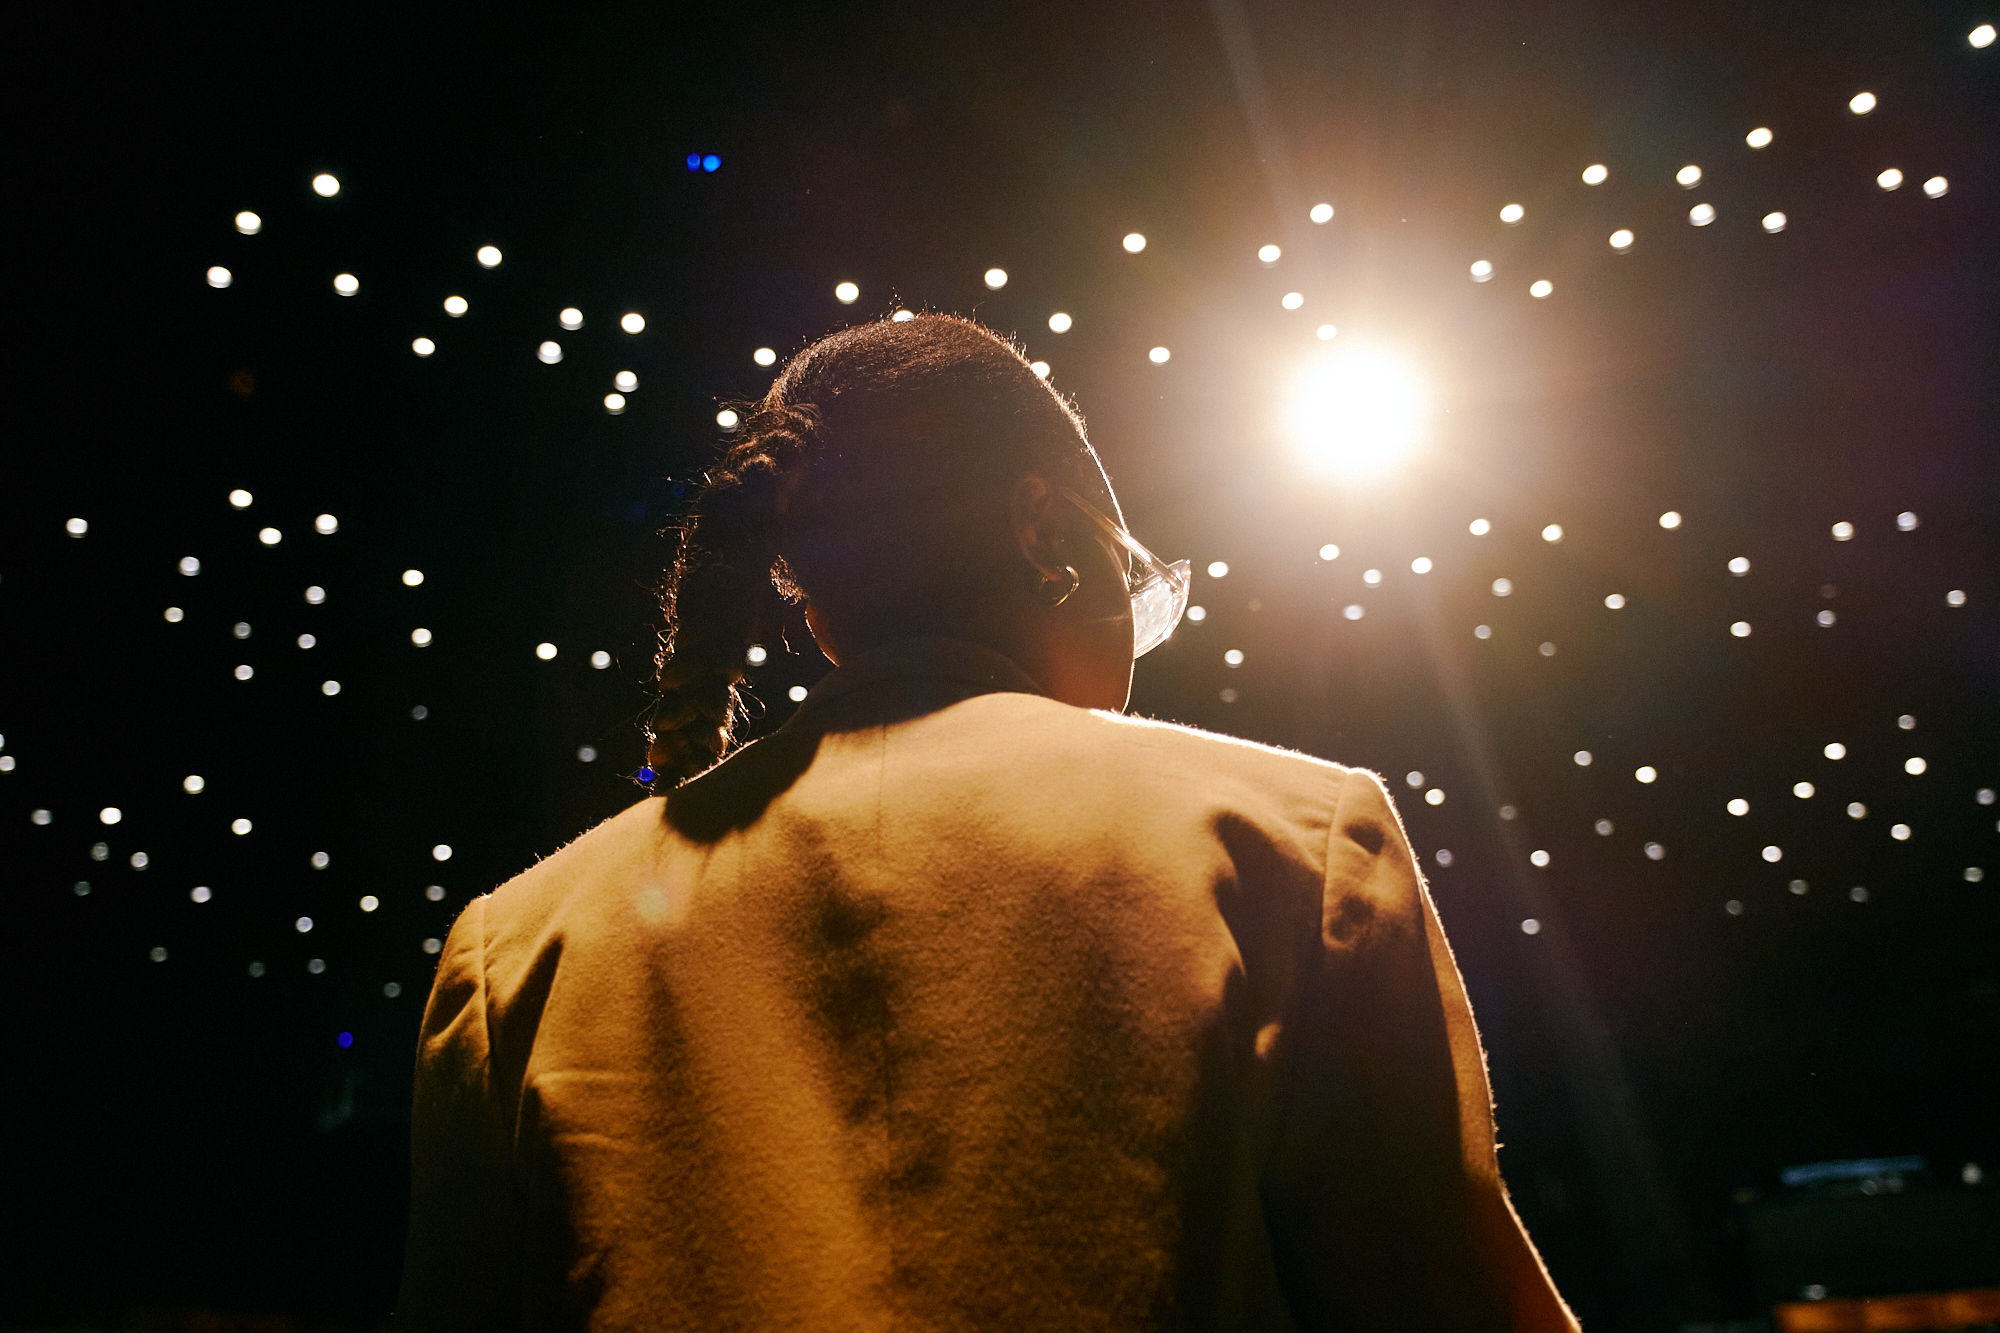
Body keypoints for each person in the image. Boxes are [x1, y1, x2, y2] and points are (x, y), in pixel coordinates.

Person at [396, 314, 1579, 1331]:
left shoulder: (514, 950)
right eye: (1131, 572)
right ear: (1048, 538)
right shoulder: (1291, 840)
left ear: (821, 623)